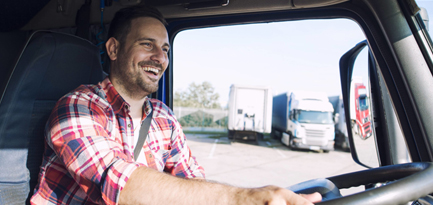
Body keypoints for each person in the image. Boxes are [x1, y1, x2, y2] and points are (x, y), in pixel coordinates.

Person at [31, 5, 321, 205]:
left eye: (166, 49)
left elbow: (191, 183)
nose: (160, 57)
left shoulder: (163, 118)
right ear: (114, 49)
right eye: (147, 44)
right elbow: (117, 183)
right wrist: (245, 198)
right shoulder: (76, 107)